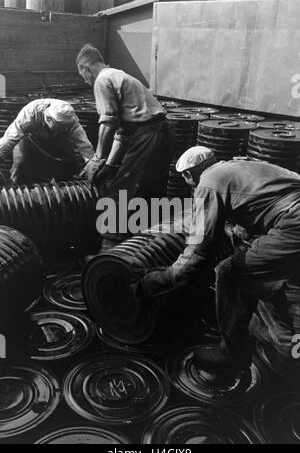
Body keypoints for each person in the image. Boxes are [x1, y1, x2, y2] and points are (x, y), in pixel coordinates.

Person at [135, 146, 300, 376]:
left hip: (294, 223)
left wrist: (161, 280)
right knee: (258, 272)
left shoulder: (208, 182)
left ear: (190, 174)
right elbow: (253, 213)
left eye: (186, 178)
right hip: (291, 217)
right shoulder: (239, 165)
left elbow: (199, 252)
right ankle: (284, 343)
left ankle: (232, 355)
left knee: (229, 273)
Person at [76, 44, 175, 203]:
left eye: (83, 76)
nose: (86, 82)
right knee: (151, 191)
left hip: (148, 136)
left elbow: (108, 122)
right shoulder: (119, 75)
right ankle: (151, 227)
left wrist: (97, 159)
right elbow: (122, 134)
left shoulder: (101, 80)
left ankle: (117, 227)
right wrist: (108, 165)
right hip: (165, 134)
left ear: (85, 67)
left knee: (121, 193)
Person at [0, 98, 94, 184]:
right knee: (20, 166)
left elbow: (84, 144)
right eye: (61, 127)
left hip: (57, 138)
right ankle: (17, 195)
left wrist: (91, 162)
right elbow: (10, 138)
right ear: (49, 119)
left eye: (66, 127)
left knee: (71, 165)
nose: (65, 129)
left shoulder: (70, 120)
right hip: (29, 138)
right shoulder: (29, 114)